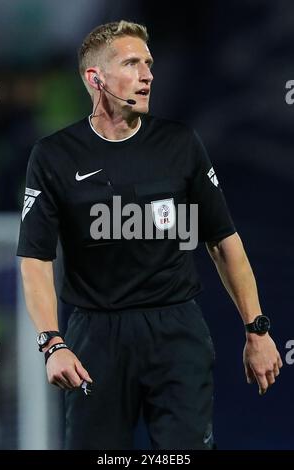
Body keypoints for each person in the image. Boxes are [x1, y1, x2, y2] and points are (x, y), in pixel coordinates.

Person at [17, 20, 282, 450]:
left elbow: (222, 240)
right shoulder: (53, 157)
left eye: (149, 63)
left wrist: (257, 329)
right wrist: (52, 342)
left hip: (176, 331)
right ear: (95, 78)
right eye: (132, 63)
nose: (148, 74)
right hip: (95, 338)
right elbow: (35, 259)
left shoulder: (181, 144)